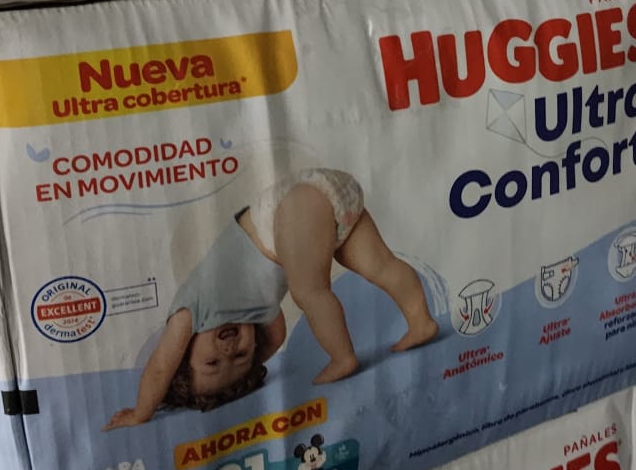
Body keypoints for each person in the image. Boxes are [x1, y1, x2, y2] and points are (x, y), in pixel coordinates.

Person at [105, 168, 437, 427]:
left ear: (185, 352)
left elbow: (161, 366)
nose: (229, 352)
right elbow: (276, 337)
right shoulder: (261, 315)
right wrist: (253, 363)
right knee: (380, 265)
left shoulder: (190, 312)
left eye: (212, 363)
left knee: (308, 291)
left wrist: (141, 412)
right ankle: (421, 321)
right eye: (240, 357)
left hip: (291, 206)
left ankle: (342, 357)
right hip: (336, 195)